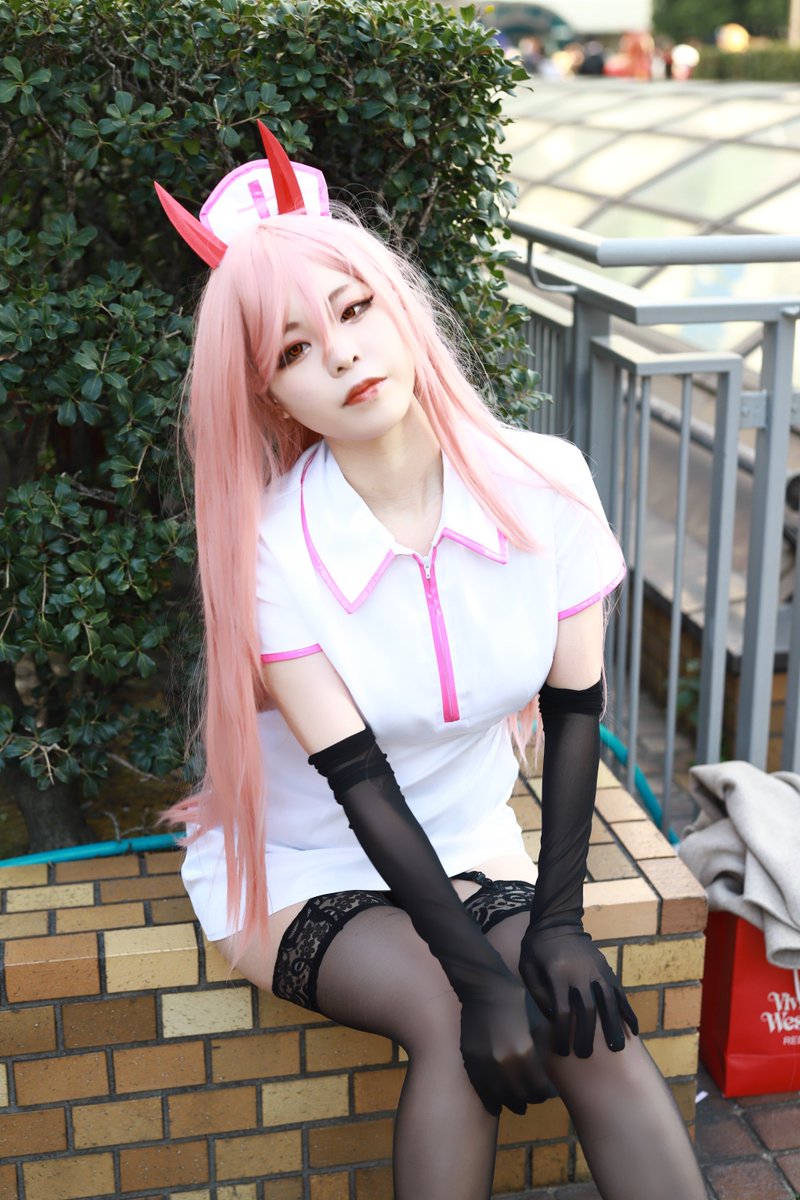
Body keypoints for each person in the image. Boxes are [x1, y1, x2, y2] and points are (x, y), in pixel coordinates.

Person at [157, 123, 707, 1200]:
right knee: (457, 1014)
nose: (342, 355)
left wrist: (557, 924)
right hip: (303, 863)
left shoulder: (545, 481)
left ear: (399, 310)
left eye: (355, 310)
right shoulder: (269, 546)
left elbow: (575, 714)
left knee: (585, 1018)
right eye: (293, 351)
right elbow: (355, 781)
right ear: (270, 396)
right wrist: (481, 976)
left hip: (468, 842)